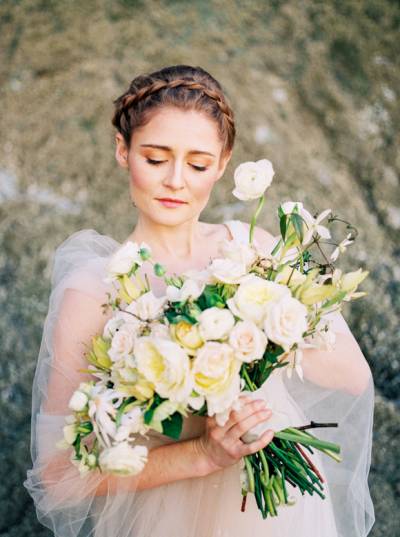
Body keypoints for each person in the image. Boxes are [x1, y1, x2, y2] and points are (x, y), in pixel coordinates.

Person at [23, 65, 375, 536]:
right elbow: (59, 476)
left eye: (197, 164)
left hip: (282, 512)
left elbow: (352, 378)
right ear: (122, 151)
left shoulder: (255, 253)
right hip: (170, 514)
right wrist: (202, 453)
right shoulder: (93, 291)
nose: (175, 181)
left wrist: (252, 341)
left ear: (224, 163)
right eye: (155, 158)